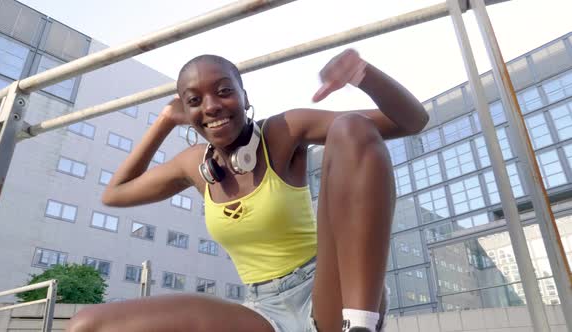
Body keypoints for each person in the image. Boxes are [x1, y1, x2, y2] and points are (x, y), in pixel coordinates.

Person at [66, 48, 428, 332]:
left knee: (352, 127)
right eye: (194, 101)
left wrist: (364, 75)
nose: (211, 106)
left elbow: (411, 122)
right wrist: (163, 120)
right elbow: (113, 193)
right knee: (87, 325)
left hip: (331, 294)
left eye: (224, 91)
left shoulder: (283, 131)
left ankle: (361, 327)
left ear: (243, 96)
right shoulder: (193, 165)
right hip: (263, 310)